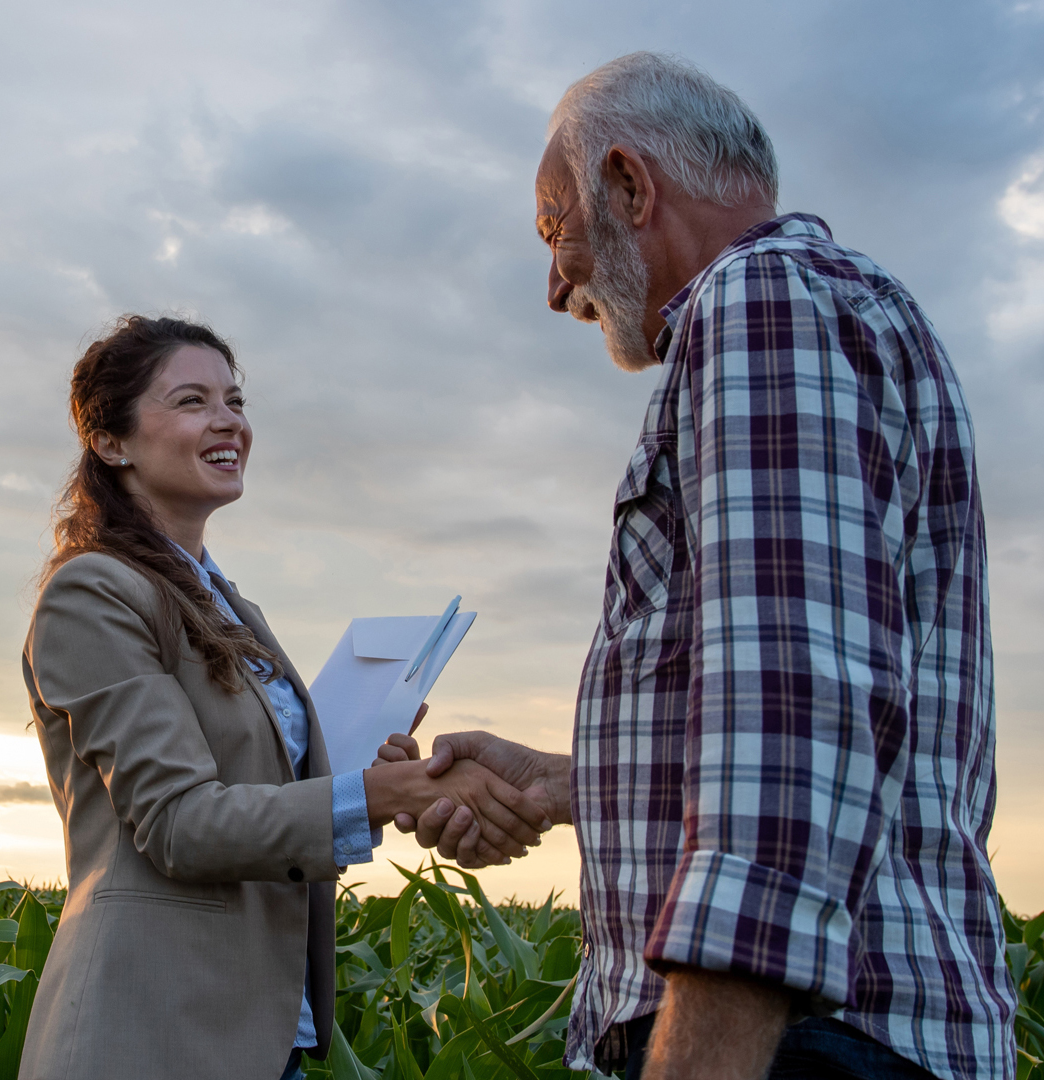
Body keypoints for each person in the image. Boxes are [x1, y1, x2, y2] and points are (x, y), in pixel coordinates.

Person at [381, 53, 1017, 1080]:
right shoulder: (847, 308)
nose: (556, 286)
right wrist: (560, 784)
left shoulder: (760, 302)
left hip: (797, 1045)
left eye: (556, 231)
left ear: (632, 188)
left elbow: (793, 717)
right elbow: (850, 723)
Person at [19, 315, 550, 1080]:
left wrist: (368, 763)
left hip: (267, 1036)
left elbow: (266, 801)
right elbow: (178, 823)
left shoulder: (233, 607)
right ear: (112, 442)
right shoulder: (92, 592)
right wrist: (368, 794)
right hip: (150, 1033)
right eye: (193, 401)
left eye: (235, 401)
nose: (229, 420)